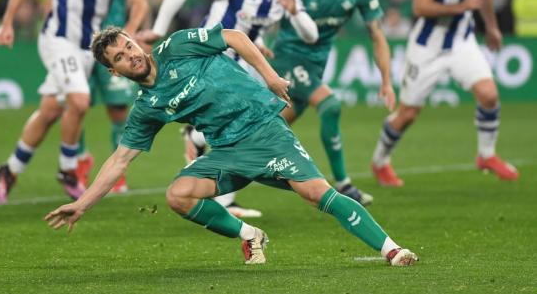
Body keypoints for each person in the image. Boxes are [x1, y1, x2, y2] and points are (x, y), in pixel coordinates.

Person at [44, 24, 418, 267]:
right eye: (120, 58)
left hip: (264, 131)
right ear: (115, 72)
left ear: (135, 39)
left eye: (129, 46)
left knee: (317, 194)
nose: (131, 55)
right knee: (179, 195)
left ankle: (391, 249)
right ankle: (249, 235)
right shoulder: (147, 108)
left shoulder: (176, 46)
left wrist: (270, 78)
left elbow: (234, 37)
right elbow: (120, 160)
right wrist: (83, 203)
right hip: (226, 151)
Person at [137, 0, 318, 217]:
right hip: (208, 66)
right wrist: (158, 30)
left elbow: (310, 34)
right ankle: (198, 142)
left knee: (253, 124)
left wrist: (293, 12)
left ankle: (218, 185)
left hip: (240, 66)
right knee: (248, 124)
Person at [0, 0, 149, 203]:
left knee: (50, 111)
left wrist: (129, 33)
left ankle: (9, 170)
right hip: (57, 39)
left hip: (87, 49)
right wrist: (7, 22)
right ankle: (68, 170)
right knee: (79, 101)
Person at [370, 0, 519, 186]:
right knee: (408, 114)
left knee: (489, 94)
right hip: (427, 48)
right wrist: (462, 5)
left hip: (462, 42)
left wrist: (492, 27)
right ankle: (380, 162)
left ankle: (486, 155)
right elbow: (420, 6)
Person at [269, 0, 395, 206]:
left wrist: (386, 80)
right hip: (287, 58)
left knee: (268, 127)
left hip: (315, 65)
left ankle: (213, 166)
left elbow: (377, 35)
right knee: (330, 105)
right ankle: (344, 184)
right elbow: (265, 14)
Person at [75, 0, 150, 194]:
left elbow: (139, 0)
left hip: (112, 49)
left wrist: (126, 38)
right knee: (77, 105)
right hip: (75, 44)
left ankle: (117, 172)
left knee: (118, 109)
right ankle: (80, 159)